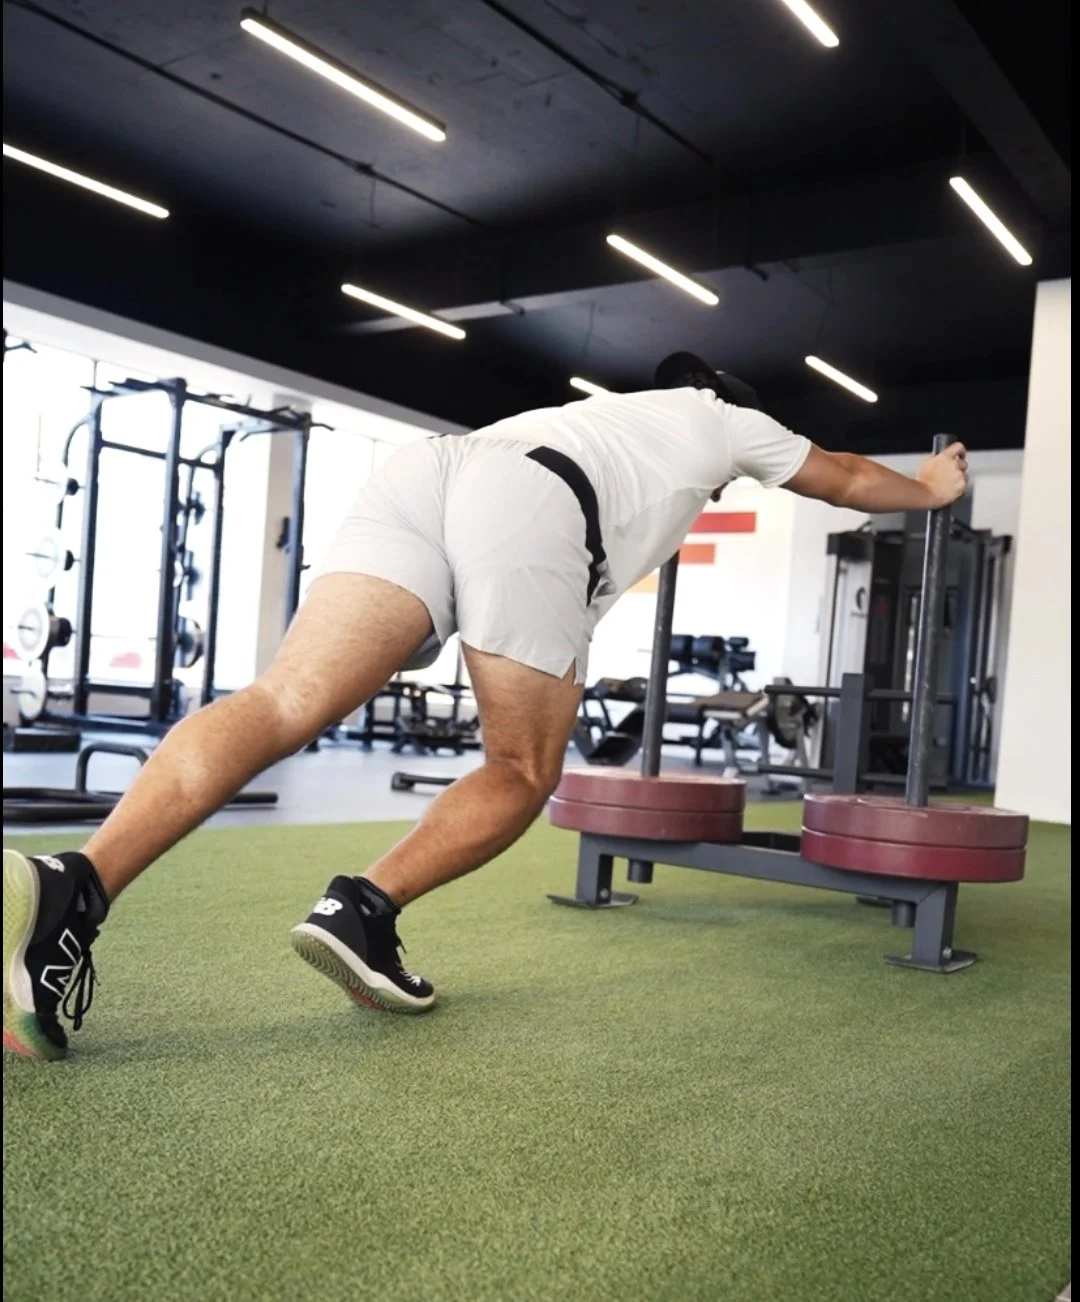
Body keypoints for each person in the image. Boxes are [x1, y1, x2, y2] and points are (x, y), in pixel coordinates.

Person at [3, 350, 969, 1060]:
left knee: (282, 697)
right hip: (530, 507)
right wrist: (931, 487)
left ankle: (77, 887)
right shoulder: (720, 416)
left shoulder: (602, 421)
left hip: (431, 474)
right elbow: (840, 474)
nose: (721, 488)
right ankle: (361, 910)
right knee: (522, 769)